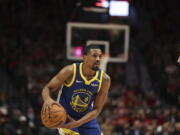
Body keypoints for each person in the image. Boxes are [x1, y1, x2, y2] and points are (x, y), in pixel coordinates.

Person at [41, 45, 111, 135]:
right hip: (66, 117)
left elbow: (97, 109)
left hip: (86, 119)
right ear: (84, 57)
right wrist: (47, 99)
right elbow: (47, 88)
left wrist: (79, 122)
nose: (98, 59)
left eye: (100, 56)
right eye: (94, 55)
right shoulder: (70, 71)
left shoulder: (105, 79)